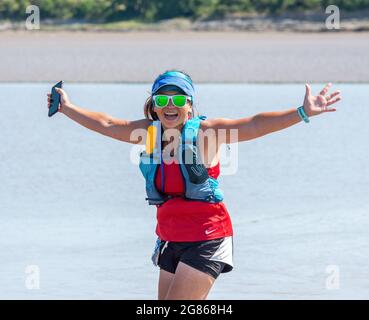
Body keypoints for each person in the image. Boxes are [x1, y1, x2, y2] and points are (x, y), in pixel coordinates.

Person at [47, 70, 341, 300]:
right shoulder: (149, 133)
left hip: (207, 237)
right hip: (170, 239)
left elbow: (253, 124)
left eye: (178, 99)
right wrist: (66, 108)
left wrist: (302, 112)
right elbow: (108, 124)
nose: (170, 105)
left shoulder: (206, 133)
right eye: (162, 99)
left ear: (190, 105)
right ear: (154, 105)